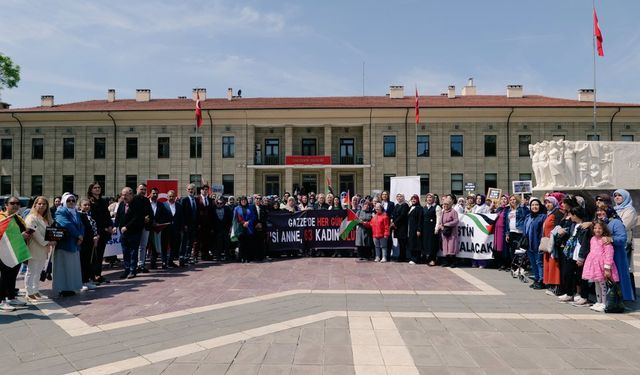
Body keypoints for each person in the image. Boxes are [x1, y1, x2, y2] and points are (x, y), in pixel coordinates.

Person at [596, 204, 634, 301]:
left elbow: (623, 238)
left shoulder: (616, 222)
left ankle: (617, 300)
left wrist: (611, 239)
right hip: (606, 256)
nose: (599, 213)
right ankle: (607, 300)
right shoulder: (602, 222)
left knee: (616, 278)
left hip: (617, 256)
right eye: (598, 211)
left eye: (602, 210)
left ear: (609, 211)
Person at [0, 196, 31, 310]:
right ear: (6, 205)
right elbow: (2, 235)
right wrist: (20, 236)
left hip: (17, 250)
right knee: (5, 276)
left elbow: (23, 230)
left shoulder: (17, 217)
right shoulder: (2, 218)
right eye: (12, 203)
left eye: (18, 203)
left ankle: (11, 297)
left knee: (13, 275)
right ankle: (1, 300)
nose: (15, 205)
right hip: (4, 252)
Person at [582, 220, 619, 312]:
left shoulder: (605, 239)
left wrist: (607, 268)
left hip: (602, 266)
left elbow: (609, 253)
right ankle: (598, 302)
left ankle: (604, 302)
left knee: (603, 285)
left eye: (599, 228)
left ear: (603, 229)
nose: (597, 230)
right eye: (595, 228)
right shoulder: (593, 239)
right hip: (594, 265)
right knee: (596, 284)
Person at [53, 193, 85, 296]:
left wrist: (81, 236)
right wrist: (78, 235)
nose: (71, 202)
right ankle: (63, 289)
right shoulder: (60, 211)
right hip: (65, 244)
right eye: (68, 200)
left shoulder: (75, 212)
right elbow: (66, 224)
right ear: (64, 201)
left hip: (74, 243)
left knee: (73, 267)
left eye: (73, 200)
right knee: (63, 267)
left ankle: (72, 287)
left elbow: (81, 225)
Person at [558, 207, 592, 305]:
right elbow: (569, 234)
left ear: (576, 215)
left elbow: (584, 244)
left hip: (579, 254)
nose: (569, 217)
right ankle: (569, 294)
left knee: (581, 277)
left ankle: (584, 296)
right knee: (567, 273)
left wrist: (581, 257)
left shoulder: (584, 227)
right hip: (571, 253)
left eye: (571, 215)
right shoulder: (573, 224)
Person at [24, 197, 54, 302]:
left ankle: (35, 290)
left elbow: (50, 233)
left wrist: (53, 239)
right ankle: (29, 293)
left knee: (38, 271)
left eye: (44, 204)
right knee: (31, 271)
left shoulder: (45, 218)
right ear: (35, 204)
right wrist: (48, 242)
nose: (41, 206)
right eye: (39, 204)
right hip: (34, 247)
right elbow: (35, 234)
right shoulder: (31, 217)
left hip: (44, 249)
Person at [114, 187, 145, 279]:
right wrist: (115, 226)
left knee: (133, 252)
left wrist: (126, 227)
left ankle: (132, 270)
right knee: (125, 252)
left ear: (131, 195)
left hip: (134, 232)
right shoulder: (121, 204)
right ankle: (126, 270)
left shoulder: (137, 204)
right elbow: (118, 217)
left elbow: (136, 218)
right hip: (123, 233)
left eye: (126, 195)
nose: (124, 197)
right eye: (122, 195)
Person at [612, 189, 637, 299]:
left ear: (625, 197)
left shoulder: (629, 210)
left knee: (624, 268)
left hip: (624, 242)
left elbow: (624, 225)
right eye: (615, 195)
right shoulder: (614, 209)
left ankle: (627, 295)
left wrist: (610, 228)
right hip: (614, 240)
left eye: (620, 196)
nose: (617, 197)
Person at [87, 182, 112, 285]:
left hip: (104, 233)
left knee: (100, 255)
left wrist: (110, 226)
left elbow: (107, 215)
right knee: (94, 256)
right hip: (95, 233)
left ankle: (98, 274)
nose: (97, 189)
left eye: (99, 187)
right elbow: (93, 218)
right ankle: (92, 276)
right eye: (95, 188)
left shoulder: (103, 201)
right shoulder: (89, 202)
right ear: (91, 190)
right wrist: (100, 230)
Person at [542, 196, 563, 295]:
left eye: (549, 203)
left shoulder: (557, 213)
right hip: (548, 243)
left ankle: (556, 287)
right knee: (548, 264)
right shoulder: (549, 214)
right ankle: (550, 284)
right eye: (546, 203)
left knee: (554, 264)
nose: (547, 205)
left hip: (553, 243)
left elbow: (558, 228)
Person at [524, 198, 547, 289]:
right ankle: (537, 279)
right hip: (529, 244)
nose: (534, 207)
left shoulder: (542, 217)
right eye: (532, 205)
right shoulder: (528, 216)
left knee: (539, 262)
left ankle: (542, 280)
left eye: (536, 205)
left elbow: (543, 231)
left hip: (537, 244)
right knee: (533, 263)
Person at [78, 198, 99, 291]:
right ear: (80, 206)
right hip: (84, 242)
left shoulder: (89, 215)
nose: (87, 207)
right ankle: (82, 281)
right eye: (85, 205)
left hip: (91, 242)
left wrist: (96, 236)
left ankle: (87, 280)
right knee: (83, 262)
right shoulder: (80, 215)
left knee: (89, 262)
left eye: (88, 205)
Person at [148, 187, 171, 269]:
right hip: (147, 228)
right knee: (147, 247)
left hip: (157, 229)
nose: (155, 195)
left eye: (156, 193)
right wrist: (151, 222)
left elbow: (164, 216)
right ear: (150, 194)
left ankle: (156, 263)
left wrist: (158, 222)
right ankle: (142, 265)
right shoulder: (146, 204)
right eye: (153, 193)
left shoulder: (161, 205)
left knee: (157, 246)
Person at [134, 183, 153, 273]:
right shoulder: (133, 200)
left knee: (143, 246)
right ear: (137, 189)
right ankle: (134, 265)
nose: (143, 191)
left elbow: (150, 212)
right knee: (135, 247)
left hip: (145, 227)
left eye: (145, 190)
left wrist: (148, 219)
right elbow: (134, 214)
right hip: (136, 227)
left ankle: (141, 264)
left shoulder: (146, 200)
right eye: (141, 189)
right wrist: (142, 219)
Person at [162, 190, 183, 268]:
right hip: (165, 229)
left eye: (173, 196)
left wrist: (181, 228)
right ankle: (164, 262)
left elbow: (181, 218)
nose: (171, 198)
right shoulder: (163, 205)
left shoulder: (179, 206)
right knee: (164, 246)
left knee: (173, 246)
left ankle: (170, 261)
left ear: (175, 197)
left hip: (176, 229)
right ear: (167, 197)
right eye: (170, 196)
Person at [233, 196, 255, 263]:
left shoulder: (250, 208)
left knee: (248, 244)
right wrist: (242, 223)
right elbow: (235, 218)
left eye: (244, 200)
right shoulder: (237, 208)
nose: (243, 201)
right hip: (240, 228)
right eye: (242, 200)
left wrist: (248, 222)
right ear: (240, 201)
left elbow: (253, 217)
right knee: (241, 244)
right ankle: (241, 258)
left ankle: (248, 258)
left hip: (248, 228)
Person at [180, 183, 198, 266]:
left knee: (191, 242)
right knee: (184, 242)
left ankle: (187, 258)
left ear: (194, 190)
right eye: (189, 189)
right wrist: (184, 225)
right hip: (186, 225)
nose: (191, 190)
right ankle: (182, 258)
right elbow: (182, 214)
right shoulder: (184, 200)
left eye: (192, 189)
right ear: (187, 190)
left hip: (194, 225)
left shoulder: (196, 200)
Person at [422, 193, 442, 266]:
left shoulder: (437, 207)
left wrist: (436, 228)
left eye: (431, 197)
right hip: (425, 228)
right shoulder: (424, 207)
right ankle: (428, 258)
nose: (429, 199)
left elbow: (438, 219)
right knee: (426, 244)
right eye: (428, 197)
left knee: (433, 244)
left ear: (434, 199)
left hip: (432, 228)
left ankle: (433, 259)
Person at [439, 197, 460, 267]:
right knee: (445, 247)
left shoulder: (453, 212)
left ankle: (454, 262)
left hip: (452, 233)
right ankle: (446, 262)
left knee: (452, 247)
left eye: (446, 204)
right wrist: (441, 226)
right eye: (444, 204)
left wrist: (448, 224)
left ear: (450, 205)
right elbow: (440, 221)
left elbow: (456, 221)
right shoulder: (443, 212)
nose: (445, 206)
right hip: (444, 232)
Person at [195, 185, 213, 261]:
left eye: (207, 190)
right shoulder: (197, 199)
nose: (205, 191)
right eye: (204, 189)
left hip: (208, 224)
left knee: (206, 240)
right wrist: (197, 223)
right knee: (198, 241)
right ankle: (195, 256)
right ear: (201, 190)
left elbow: (212, 213)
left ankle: (205, 255)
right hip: (200, 224)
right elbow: (196, 212)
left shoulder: (210, 200)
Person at [211, 197, 232, 261]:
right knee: (218, 243)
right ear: (216, 203)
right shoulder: (213, 209)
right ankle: (218, 256)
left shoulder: (227, 208)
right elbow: (211, 220)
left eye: (221, 203)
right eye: (218, 203)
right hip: (217, 230)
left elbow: (230, 219)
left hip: (226, 229)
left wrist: (230, 227)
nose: (219, 204)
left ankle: (227, 256)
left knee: (226, 243)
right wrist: (212, 228)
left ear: (223, 203)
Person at [391, 194, 409, 262]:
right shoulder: (397, 205)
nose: (399, 198)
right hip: (397, 227)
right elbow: (393, 214)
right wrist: (392, 220)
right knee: (400, 242)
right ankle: (401, 256)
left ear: (403, 198)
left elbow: (402, 215)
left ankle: (403, 257)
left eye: (400, 196)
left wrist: (394, 223)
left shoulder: (405, 205)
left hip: (402, 227)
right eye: (398, 196)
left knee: (403, 243)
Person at [407, 194, 423, 265]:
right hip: (410, 228)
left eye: (415, 199)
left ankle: (416, 259)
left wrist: (419, 229)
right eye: (412, 199)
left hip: (416, 229)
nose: (413, 200)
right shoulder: (410, 207)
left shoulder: (419, 208)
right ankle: (412, 257)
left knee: (416, 244)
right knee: (411, 243)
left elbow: (420, 220)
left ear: (417, 200)